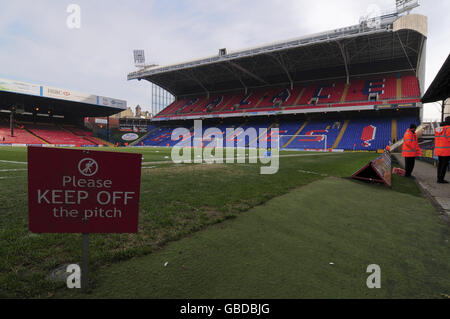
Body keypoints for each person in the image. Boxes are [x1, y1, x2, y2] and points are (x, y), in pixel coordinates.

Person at [435, 116, 450, 184]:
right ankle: (441, 179)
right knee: (444, 165)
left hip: (439, 150)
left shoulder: (439, 129)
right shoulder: (448, 129)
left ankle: (439, 177)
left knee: (440, 164)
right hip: (446, 151)